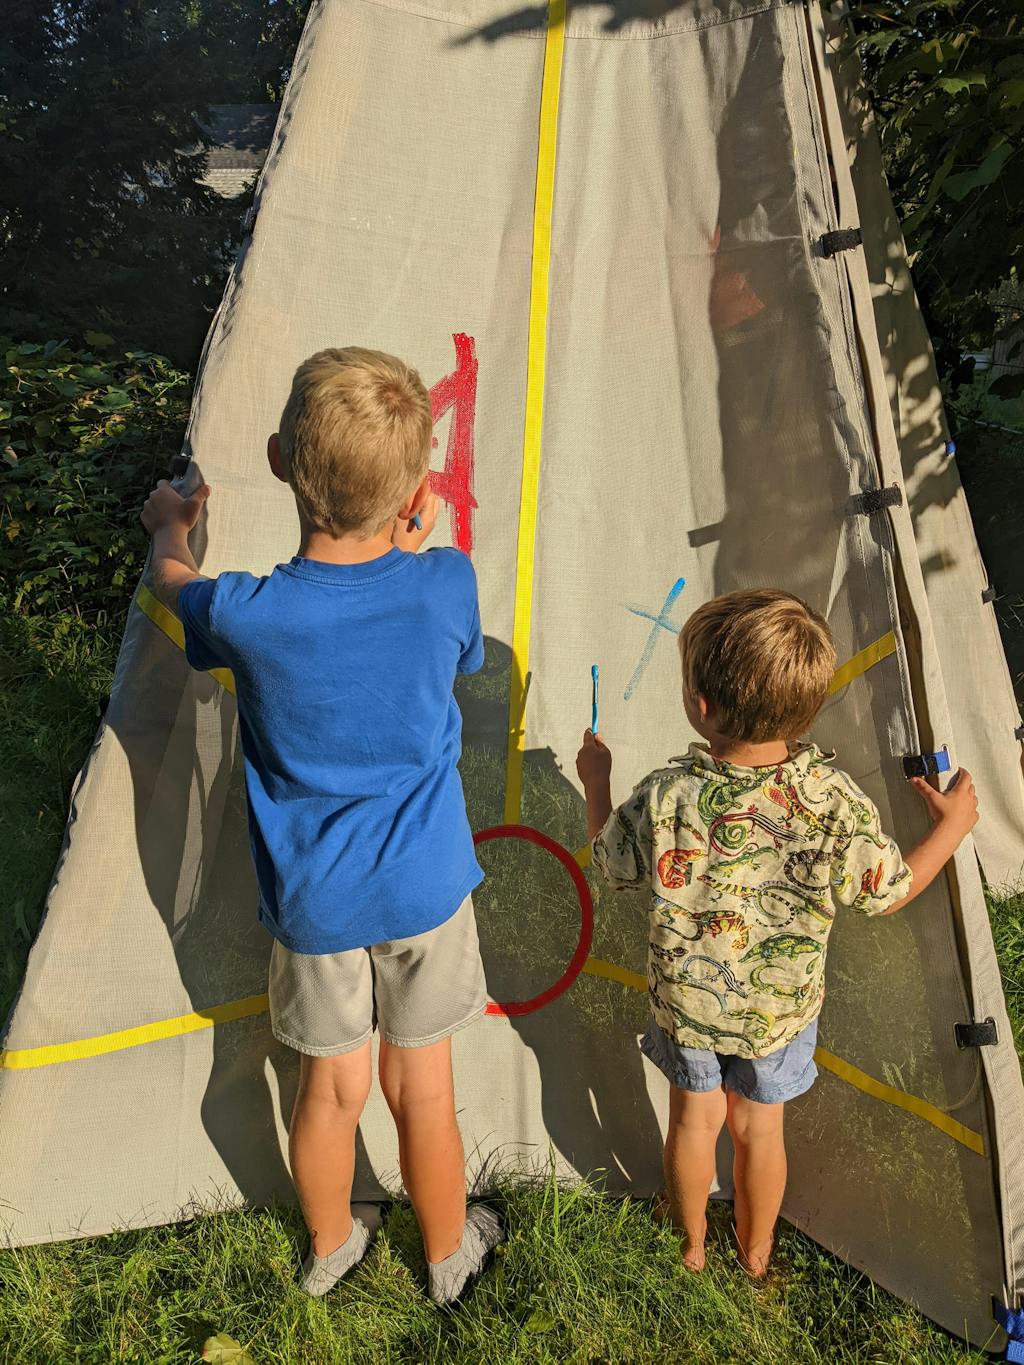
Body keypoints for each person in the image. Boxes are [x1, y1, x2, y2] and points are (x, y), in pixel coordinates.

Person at [142, 346, 503, 1304]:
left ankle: (334, 1243)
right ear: (417, 485)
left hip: (316, 904)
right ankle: (446, 1253)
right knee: (421, 1086)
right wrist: (418, 532)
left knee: (330, 1091)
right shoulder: (445, 582)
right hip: (426, 888)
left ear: (276, 460)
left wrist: (171, 528)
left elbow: (174, 582)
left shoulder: (250, 613)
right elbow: (457, 645)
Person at [575, 589, 978, 1276]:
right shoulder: (832, 800)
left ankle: (692, 1246)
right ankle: (756, 1255)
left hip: (691, 1007)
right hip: (779, 1015)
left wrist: (597, 783)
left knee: (693, 1123)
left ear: (700, 706)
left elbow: (612, 865)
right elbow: (886, 891)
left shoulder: (669, 792)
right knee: (760, 1129)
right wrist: (954, 827)